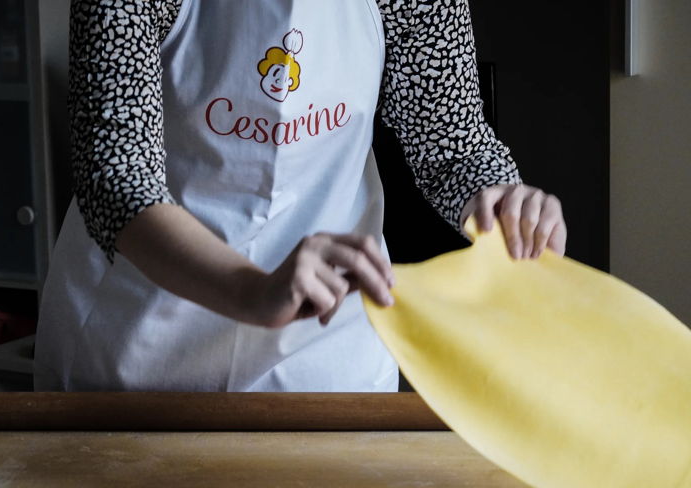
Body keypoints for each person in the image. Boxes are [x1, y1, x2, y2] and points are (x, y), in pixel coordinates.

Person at [34, 0, 568, 392]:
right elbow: (118, 177)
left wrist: (502, 199)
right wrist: (253, 292)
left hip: (330, 345)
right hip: (141, 346)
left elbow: (451, 143)